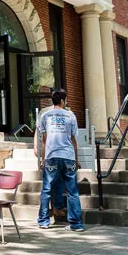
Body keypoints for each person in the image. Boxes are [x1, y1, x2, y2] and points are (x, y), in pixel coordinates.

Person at [37, 89, 84, 231]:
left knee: (46, 189)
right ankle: (76, 224)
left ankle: (44, 221)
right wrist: (76, 160)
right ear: (63, 100)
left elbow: (44, 141)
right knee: (72, 191)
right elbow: (74, 140)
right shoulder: (70, 116)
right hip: (68, 156)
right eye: (66, 99)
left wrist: (43, 159)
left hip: (51, 156)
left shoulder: (45, 116)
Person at [33, 106, 66, 220]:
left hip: (58, 154)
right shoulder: (45, 112)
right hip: (52, 154)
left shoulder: (66, 113)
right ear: (62, 100)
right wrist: (36, 147)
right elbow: (39, 132)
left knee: (56, 182)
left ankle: (55, 209)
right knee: (49, 186)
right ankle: (46, 215)